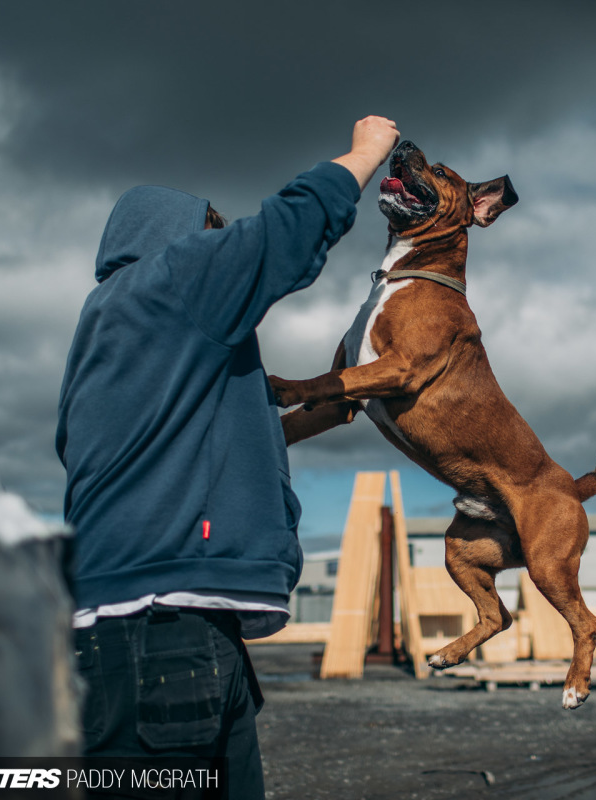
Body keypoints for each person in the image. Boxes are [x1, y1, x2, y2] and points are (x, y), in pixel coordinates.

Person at [56, 116, 400, 797]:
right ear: (182, 238)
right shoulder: (172, 280)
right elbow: (285, 233)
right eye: (216, 235)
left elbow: (174, 450)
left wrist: (298, 425)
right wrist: (366, 151)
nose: (225, 252)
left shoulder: (109, 330)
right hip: (162, 634)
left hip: (138, 636)